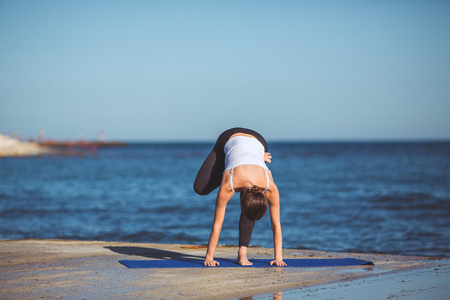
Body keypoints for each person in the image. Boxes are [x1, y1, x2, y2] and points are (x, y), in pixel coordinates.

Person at [194, 127, 286, 267]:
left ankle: (242, 253)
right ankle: (227, 159)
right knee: (200, 188)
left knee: (251, 208)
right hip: (229, 136)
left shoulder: (270, 188)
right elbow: (217, 225)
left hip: (259, 142)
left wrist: (278, 258)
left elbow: (276, 225)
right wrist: (209, 257)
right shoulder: (229, 185)